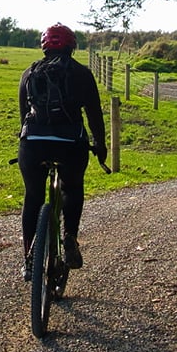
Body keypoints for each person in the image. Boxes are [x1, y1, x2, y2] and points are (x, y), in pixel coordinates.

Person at [17, 24, 107, 273]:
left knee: (33, 195)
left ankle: (29, 257)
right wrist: (100, 145)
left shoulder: (29, 73)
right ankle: (70, 236)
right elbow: (94, 115)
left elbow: (23, 116)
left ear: (43, 46)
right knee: (73, 187)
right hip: (70, 144)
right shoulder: (82, 73)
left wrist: (25, 144)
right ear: (72, 46)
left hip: (33, 144)